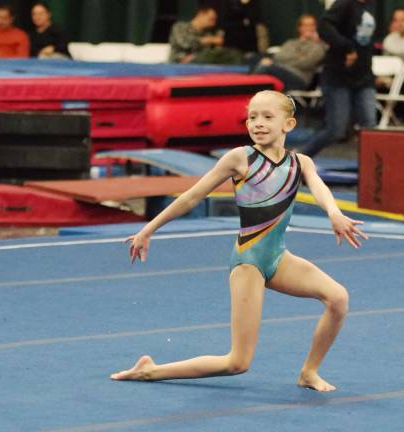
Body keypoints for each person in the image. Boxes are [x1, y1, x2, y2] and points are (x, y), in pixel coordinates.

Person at [110, 90, 368, 392]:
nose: (257, 123)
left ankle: (309, 372)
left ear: (289, 124)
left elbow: (321, 190)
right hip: (249, 263)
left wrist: (335, 213)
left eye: (267, 117)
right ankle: (150, 371)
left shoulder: (301, 163)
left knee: (338, 299)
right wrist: (148, 229)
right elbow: (193, 195)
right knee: (237, 362)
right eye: (252, 117)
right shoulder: (240, 158)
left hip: (278, 258)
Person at [296, 0, 376, 157]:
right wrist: (347, 47)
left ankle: (371, 171)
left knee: (370, 127)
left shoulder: (367, 7)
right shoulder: (344, 3)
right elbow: (324, 26)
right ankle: (300, 157)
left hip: (364, 75)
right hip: (338, 76)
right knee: (335, 130)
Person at [252, 14, 326, 92]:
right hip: (280, 72)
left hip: (300, 78)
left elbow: (306, 63)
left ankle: (251, 93)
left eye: (312, 25)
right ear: (299, 28)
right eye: (305, 25)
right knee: (257, 60)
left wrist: (284, 62)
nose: (309, 28)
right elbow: (278, 56)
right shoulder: (290, 43)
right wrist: (299, 57)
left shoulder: (318, 46)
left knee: (266, 67)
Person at [168, 6, 241, 64]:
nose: (213, 23)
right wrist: (210, 40)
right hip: (180, 63)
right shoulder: (180, 27)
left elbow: (213, 52)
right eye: (211, 19)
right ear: (201, 14)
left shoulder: (209, 33)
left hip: (202, 63)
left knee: (233, 54)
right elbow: (185, 42)